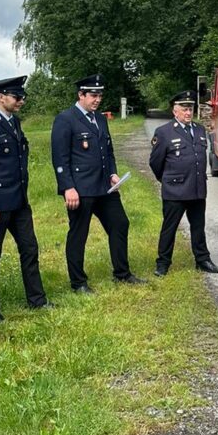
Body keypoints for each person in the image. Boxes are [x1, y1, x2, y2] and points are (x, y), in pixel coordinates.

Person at [51, 74, 145, 294]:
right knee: (78, 234)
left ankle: (122, 273)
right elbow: (60, 158)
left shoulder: (100, 119)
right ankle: (78, 283)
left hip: (105, 187)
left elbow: (108, 151)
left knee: (120, 224)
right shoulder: (66, 119)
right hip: (81, 189)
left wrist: (113, 173)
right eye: (93, 95)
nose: (97, 99)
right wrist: (67, 187)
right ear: (81, 95)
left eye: (100, 95)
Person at [0, 75, 50, 322]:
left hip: (18, 201)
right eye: (17, 97)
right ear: (0, 97)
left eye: (22, 96)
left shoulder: (14, 122)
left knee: (29, 248)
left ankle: (37, 300)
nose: (21, 101)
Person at [150, 90, 218, 277]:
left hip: (197, 188)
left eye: (190, 109)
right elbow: (156, 162)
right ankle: (163, 263)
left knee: (198, 227)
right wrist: (166, 180)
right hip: (175, 190)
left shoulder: (199, 130)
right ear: (175, 111)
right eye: (184, 109)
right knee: (170, 228)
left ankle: (202, 260)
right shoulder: (164, 132)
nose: (188, 113)